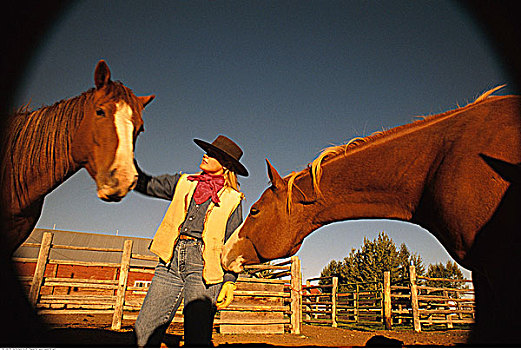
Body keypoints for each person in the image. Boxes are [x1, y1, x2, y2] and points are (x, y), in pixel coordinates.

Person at [133, 135, 248, 347]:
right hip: (170, 260)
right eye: (207, 151)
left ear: (226, 165)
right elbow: (147, 184)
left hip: (205, 268)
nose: (205, 155)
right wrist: (125, 162)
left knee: (197, 337)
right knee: (144, 330)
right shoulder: (183, 182)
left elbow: (233, 243)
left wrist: (230, 280)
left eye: (212, 154)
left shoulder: (233, 198)